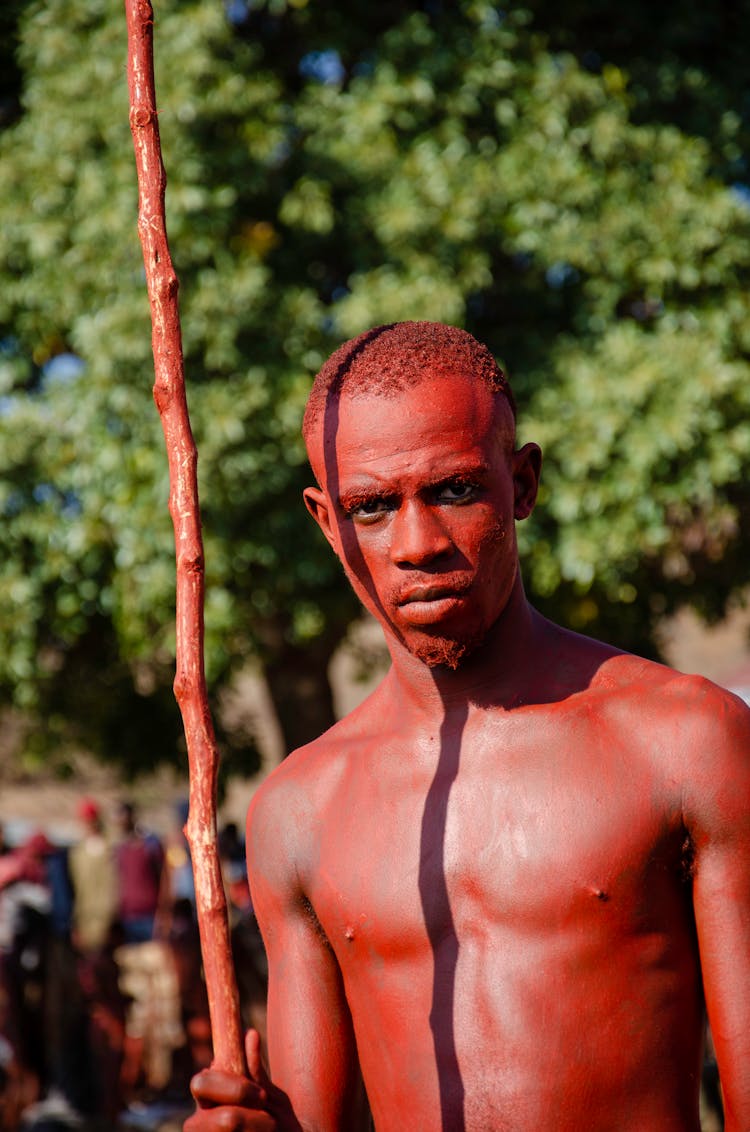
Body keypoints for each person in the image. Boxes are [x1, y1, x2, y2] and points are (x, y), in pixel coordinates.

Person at [187, 321, 750, 1131]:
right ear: (326, 522)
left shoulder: (686, 741)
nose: (417, 545)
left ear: (521, 485)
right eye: (373, 507)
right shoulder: (298, 811)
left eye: (454, 490)